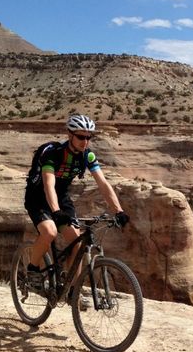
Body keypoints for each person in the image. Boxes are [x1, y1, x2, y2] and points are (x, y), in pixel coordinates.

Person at [24, 114, 129, 289]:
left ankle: (72, 290)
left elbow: (103, 183)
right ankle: (33, 269)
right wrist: (56, 212)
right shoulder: (53, 154)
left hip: (62, 198)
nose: (85, 141)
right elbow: (48, 184)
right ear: (70, 135)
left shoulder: (87, 156)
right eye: (81, 137)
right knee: (50, 232)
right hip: (38, 198)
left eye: (88, 137)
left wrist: (118, 210)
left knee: (77, 242)